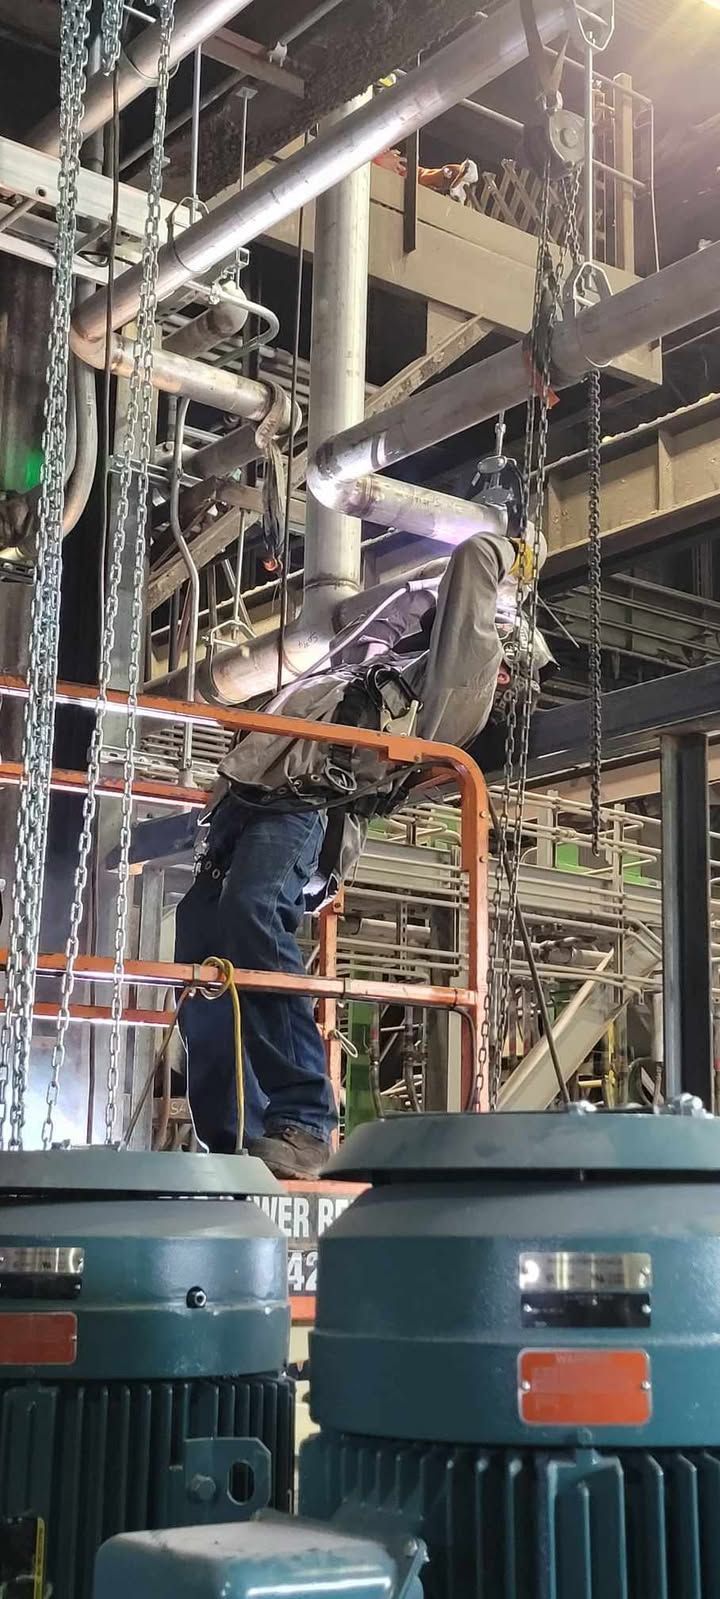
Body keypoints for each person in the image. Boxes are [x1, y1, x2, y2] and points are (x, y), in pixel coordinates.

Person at [174, 522, 551, 1178]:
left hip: (306, 804)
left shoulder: (459, 685)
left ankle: (304, 1116)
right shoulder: (380, 666)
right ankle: (233, 1135)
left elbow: (468, 566)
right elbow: (387, 620)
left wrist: (510, 550)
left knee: (254, 910)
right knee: (201, 941)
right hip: (251, 802)